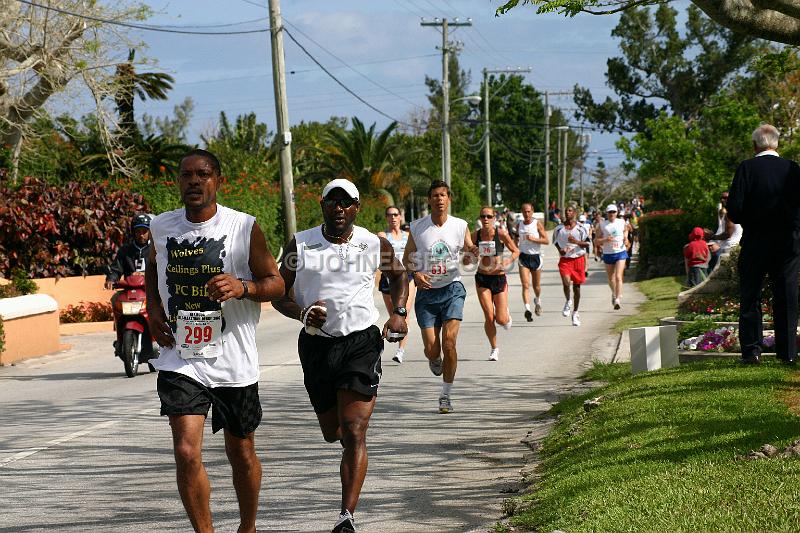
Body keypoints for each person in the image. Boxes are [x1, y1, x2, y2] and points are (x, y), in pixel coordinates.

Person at [145, 149, 284, 533]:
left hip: (233, 359)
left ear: (217, 180)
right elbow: (153, 261)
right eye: (186, 174)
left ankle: (248, 526)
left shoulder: (243, 227)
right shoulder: (162, 226)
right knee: (186, 451)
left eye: (202, 174)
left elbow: (276, 283)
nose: (193, 181)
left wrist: (244, 287)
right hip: (181, 357)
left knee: (241, 452)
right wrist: (153, 308)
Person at [273, 179, 409, 533]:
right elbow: (277, 291)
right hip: (317, 346)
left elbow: (398, 275)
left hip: (361, 343)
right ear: (321, 205)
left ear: (356, 208)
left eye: (346, 203)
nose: (339, 209)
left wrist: (398, 312)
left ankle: (346, 516)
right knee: (332, 432)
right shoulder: (300, 243)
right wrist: (301, 313)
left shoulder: (372, 242)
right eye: (332, 202)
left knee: (354, 430)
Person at [727, 124, 800, 365]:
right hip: (788, 242)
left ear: (754, 145)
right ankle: (788, 352)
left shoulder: (746, 168)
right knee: (786, 296)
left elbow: (735, 211)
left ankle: (751, 351)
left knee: (751, 295)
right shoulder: (793, 169)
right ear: (777, 144)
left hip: (756, 240)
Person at [403, 180, 478, 414]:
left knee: (449, 343)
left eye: (443, 195)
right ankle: (434, 359)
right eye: (435, 195)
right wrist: (415, 273)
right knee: (433, 351)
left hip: (452, 289)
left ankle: (445, 395)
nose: (439, 199)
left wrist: (471, 255)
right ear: (429, 200)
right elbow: (407, 258)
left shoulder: (460, 225)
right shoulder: (417, 227)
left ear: (449, 199)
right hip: (426, 294)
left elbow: (469, 253)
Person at [465, 206, 520, 361]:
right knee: (489, 316)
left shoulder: (501, 234)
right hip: (482, 279)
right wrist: (470, 256)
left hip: (499, 278)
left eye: (489, 216)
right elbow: (466, 258)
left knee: (501, 320)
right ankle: (494, 348)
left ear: (494, 218)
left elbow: (516, 251)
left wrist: (509, 260)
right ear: (480, 218)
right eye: (483, 216)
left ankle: (506, 316)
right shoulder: (475, 236)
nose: (486, 219)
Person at [377, 205, 416, 363]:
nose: (392, 217)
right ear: (386, 218)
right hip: (387, 280)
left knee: (402, 311)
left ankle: (400, 350)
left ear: (400, 217)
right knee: (393, 314)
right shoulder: (382, 236)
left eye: (395, 214)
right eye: (389, 215)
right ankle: (390, 340)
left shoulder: (408, 236)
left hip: (407, 278)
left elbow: (416, 255)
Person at [554, 202, 590, 326]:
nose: (568, 213)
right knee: (565, 282)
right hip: (565, 260)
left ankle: (575, 312)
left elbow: (587, 243)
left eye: (570, 211)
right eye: (566, 211)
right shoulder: (559, 229)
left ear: (574, 213)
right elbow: (556, 243)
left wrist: (576, 241)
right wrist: (561, 250)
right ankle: (568, 301)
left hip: (578, 259)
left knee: (577, 288)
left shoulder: (581, 228)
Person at [515, 203, 549, 321]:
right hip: (523, 257)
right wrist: (515, 249)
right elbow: (515, 239)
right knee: (525, 285)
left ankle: (537, 299)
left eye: (529, 211)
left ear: (532, 211)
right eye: (524, 212)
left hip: (536, 257)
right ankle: (527, 310)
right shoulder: (519, 225)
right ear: (522, 212)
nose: (527, 214)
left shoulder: (537, 223)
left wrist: (534, 239)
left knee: (536, 286)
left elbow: (546, 240)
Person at [105, 213, 152, 289]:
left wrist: (145, 274)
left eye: (145, 231)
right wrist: (111, 279)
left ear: (150, 232)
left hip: (151, 292)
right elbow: (116, 270)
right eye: (138, 231)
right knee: (114, 299)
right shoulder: (125, 250)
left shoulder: (156, 251)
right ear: (133, 232)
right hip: (129, 291)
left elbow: (161, 271)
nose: (141, 235)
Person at [596, 204, 629, 310]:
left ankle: (617, 299)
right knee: (611, 279)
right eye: (610, 212)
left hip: (620, 251)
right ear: (607, 213)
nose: (612, 214)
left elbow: (626, 230)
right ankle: (614, 293)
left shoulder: (621, 222)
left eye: (614, 212)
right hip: (608, 253)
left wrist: (625, 237)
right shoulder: (602, 225)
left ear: (617, 213)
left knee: (618, 277)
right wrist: (605, 240)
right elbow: (596, 241)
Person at [706, 191, 743, 271]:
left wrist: (713, 237)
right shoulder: (735, 211)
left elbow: (727, 234)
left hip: (730, 249)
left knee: (723, 278)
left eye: (726, 198)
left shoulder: (730, 214)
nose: (723, 200)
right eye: (721, 198)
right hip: (733, 248)